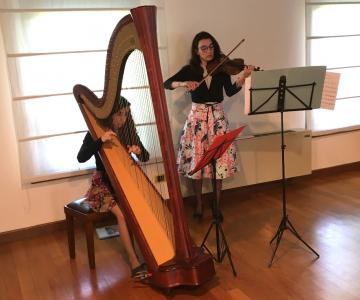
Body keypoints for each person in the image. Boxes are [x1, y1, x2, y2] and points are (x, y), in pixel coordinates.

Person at [164, 31, 254, 219]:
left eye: (211, 46)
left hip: (217, 118)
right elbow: (167, 83)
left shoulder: (221, 67)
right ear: (196, 51)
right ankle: (198, 203)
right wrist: (184, 83)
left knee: (218, 163)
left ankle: (217, 205)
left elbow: (229, 91)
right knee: (197, 163)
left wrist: (243, 77)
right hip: (196, 120)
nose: (209, 51)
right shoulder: (190, 70)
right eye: (204, 48)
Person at [77, 96, 149, 277]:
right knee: (123, 216)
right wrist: (100, 140)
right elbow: (81, 157)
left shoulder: (128, 132)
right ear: (110, 115)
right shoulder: (95, 132)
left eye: (126, 115)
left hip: (124, 183)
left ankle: (151, 253)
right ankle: (134, 263)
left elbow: (146, 156)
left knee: (142, 208)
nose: (123, 119)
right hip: (102, 184)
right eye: (119, 114)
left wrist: (139, 151)